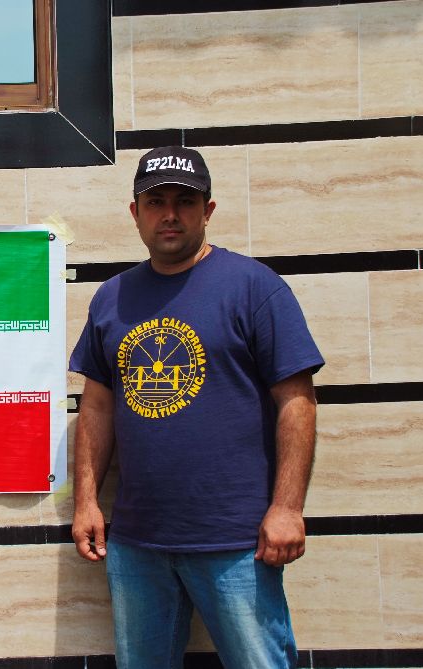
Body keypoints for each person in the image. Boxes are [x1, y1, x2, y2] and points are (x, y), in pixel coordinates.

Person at [69, 146, 324, 668]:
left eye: (184, 202)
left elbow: (297, 402)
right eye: (155, 202)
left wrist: (287, 508)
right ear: (135, 212)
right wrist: (86, 502)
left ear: (207, 210)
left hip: (237, 539)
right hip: (138, 541)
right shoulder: (112, 298)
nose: (170, 214)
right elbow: (96, 408)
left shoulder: (254, 287)